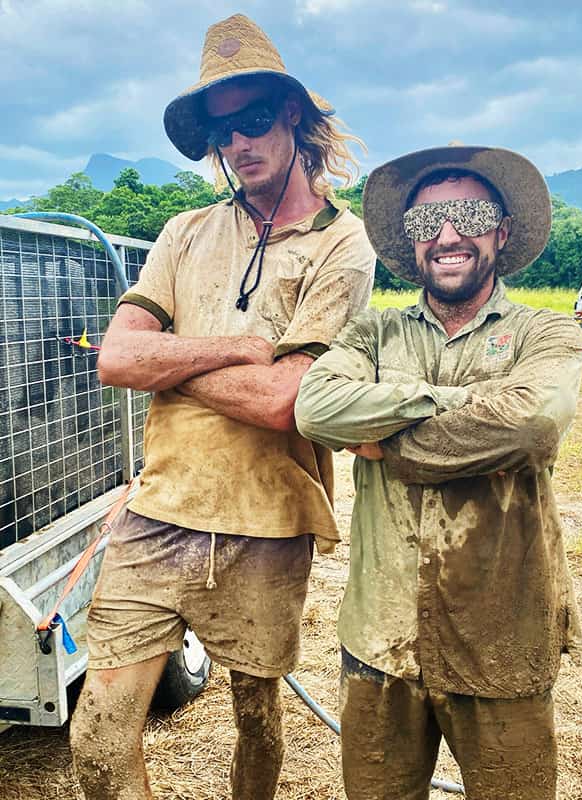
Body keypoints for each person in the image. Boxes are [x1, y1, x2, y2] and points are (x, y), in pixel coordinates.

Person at [77, 15, 373, 799]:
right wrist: (237, 348)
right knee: (99, 740)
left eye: (254, 120)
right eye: (222, 129)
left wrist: (167, 362)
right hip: (159, 509)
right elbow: (114, 357)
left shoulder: (343, 244)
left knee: (256, 716)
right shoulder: (184, 231)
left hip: (268, 519)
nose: (239, 142)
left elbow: (284, 401)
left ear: (293, 120)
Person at [292, 146, 582, 798]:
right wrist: (452, 403)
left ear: (501, 231)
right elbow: (314, 408)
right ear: (411, 241)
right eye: (427, 223)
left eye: (468, 215)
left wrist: (384, 443)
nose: (447, 235)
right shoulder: (373, 333)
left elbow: (533, 424)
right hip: (381, 638)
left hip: (502, 637)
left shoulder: (547, 333)